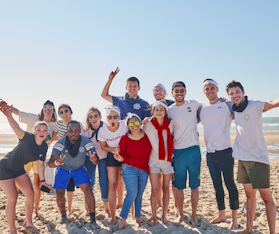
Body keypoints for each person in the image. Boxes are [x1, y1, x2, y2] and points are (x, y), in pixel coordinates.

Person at [226, 80, 279, 234]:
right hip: (242, 157)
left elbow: (273, 102)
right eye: (231, 94)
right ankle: (248, 228)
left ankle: (272, 232)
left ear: (243, 92)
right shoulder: (234, 109)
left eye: (237, 92)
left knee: (266, 197)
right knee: (249, 194)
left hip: (258, 158)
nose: (235, 95)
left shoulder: (255, 105)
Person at [0, 100, 50, 234]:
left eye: (44, 131)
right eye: (39, 130)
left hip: (18, 169)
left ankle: (29, 222)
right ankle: (12, 230)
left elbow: (40, 164)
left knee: (30, 193)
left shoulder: (44, 146)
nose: (41, 132)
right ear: (34, 132)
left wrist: (44, 181)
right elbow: (17, 128)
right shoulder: (27, 137)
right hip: (5, 168)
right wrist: (9, 116)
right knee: (13, 198)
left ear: (46, 134)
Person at [198, 79, 239, 230]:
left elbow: (241, 111)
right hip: (210, 153)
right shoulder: (201, 109)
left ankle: (234, 220)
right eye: (207, 89)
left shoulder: (226, 104)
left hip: (225, 151)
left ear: (217, 89)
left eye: (212, 88)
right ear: (204, 91)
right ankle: (222, 214)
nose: (210, 91)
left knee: (230, 184)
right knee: (217, 186)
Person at [48, 121, 100, 229]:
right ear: (67, 131)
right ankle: (63, 216)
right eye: (71, 130)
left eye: (76, 130)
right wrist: (57, 162)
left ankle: (93, 220)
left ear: (80, 131)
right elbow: (50, 163)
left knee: (88, 190)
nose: (73, 133)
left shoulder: (86, 142)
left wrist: (94, 160)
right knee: (60, 193)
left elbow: (96, 161)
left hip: (79, 168)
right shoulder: (60, 143)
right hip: (63, 168)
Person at [8, 100, 56, 216]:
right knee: (18, 182)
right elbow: (18, 112)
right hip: (25, 154)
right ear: (43, 109)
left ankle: (36, 210)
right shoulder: (33, 117)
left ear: (53, 110)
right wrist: (9, 110)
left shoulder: (55, 125)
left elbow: (52, 139)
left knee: (37, 183)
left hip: (40, 157)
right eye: (46, 106)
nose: (48, 108)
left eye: (50, 107)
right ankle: (12, 206)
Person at [167, 81, 201, 226]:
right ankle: (180, 214)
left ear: (185, 92)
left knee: (194, 186)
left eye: (182, 90)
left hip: (194, 150)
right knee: (179, 186)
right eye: (176, 91)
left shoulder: (193, 104)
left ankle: (193, 216)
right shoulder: (169, 110)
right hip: (178, 152)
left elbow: (209, 110)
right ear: (172, 93)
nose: (179, 93)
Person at [114, 113, 152, 230]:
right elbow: (122, 156)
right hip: (129, 168)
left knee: (139, 195)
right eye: (131, 123)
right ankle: (123, 219)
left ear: (140, 123)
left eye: (136, 122)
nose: (134, 125)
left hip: (144, 169)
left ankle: (137, 217)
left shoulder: (147, 135)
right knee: (131, 194)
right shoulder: (125, 138)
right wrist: (119, 158)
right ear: (128, 126)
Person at [143, 101, 175, 225]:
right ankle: (154, 216)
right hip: (154, 162)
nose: (159, 112)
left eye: (162, 109)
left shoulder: (171, 124)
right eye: (157, 109)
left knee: (166, 188)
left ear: (165, 111)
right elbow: (135, 131)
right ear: (153, 112)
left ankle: (164, 216)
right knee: (155, 190)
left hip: (167, 161)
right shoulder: (147, 125)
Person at [98, 105, 128, 224]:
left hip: (125, 154)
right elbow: (103, 146)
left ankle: (123, 204)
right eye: (110, 117)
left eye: (115, 117)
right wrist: (116, 150)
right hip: (111, 155)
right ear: (107, 119)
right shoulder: (103, 130)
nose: (112, 120)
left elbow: (136, 128)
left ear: (119, 117)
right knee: (112, 185)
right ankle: (113, 215)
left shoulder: (125, 126)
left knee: (125, 181)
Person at [81, 107, 111, 218]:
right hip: (89, 157)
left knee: (104, 182)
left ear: (100, 117)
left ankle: (107, 210)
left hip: (104, 157)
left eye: (95, 116)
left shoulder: (106, 127)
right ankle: (87, 210)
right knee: (89, 183)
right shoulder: (84, 130)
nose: (93, 118)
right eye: (91, 117)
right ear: (88, 119)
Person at [152, 83, 177, 211]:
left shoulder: (172, 104)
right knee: (159, 177)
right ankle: (159, 204)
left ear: (165, 92)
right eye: (155, 90)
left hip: (172, 143)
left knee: (172, 177)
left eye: (160, 90)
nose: (158, 92)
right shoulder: (152, 107)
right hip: (158, 146)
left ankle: (176, 203)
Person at [50, 103, 78, 215]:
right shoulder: (58, 124)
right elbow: (53, 137)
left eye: (66, 111)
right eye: (61, 112)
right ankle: (62, 208)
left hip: (73, 158)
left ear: (71, 112)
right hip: (61, 158)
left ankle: (70, 209)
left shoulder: (77, 125)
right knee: (60, 183)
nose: (64, 114)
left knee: (70, 185)